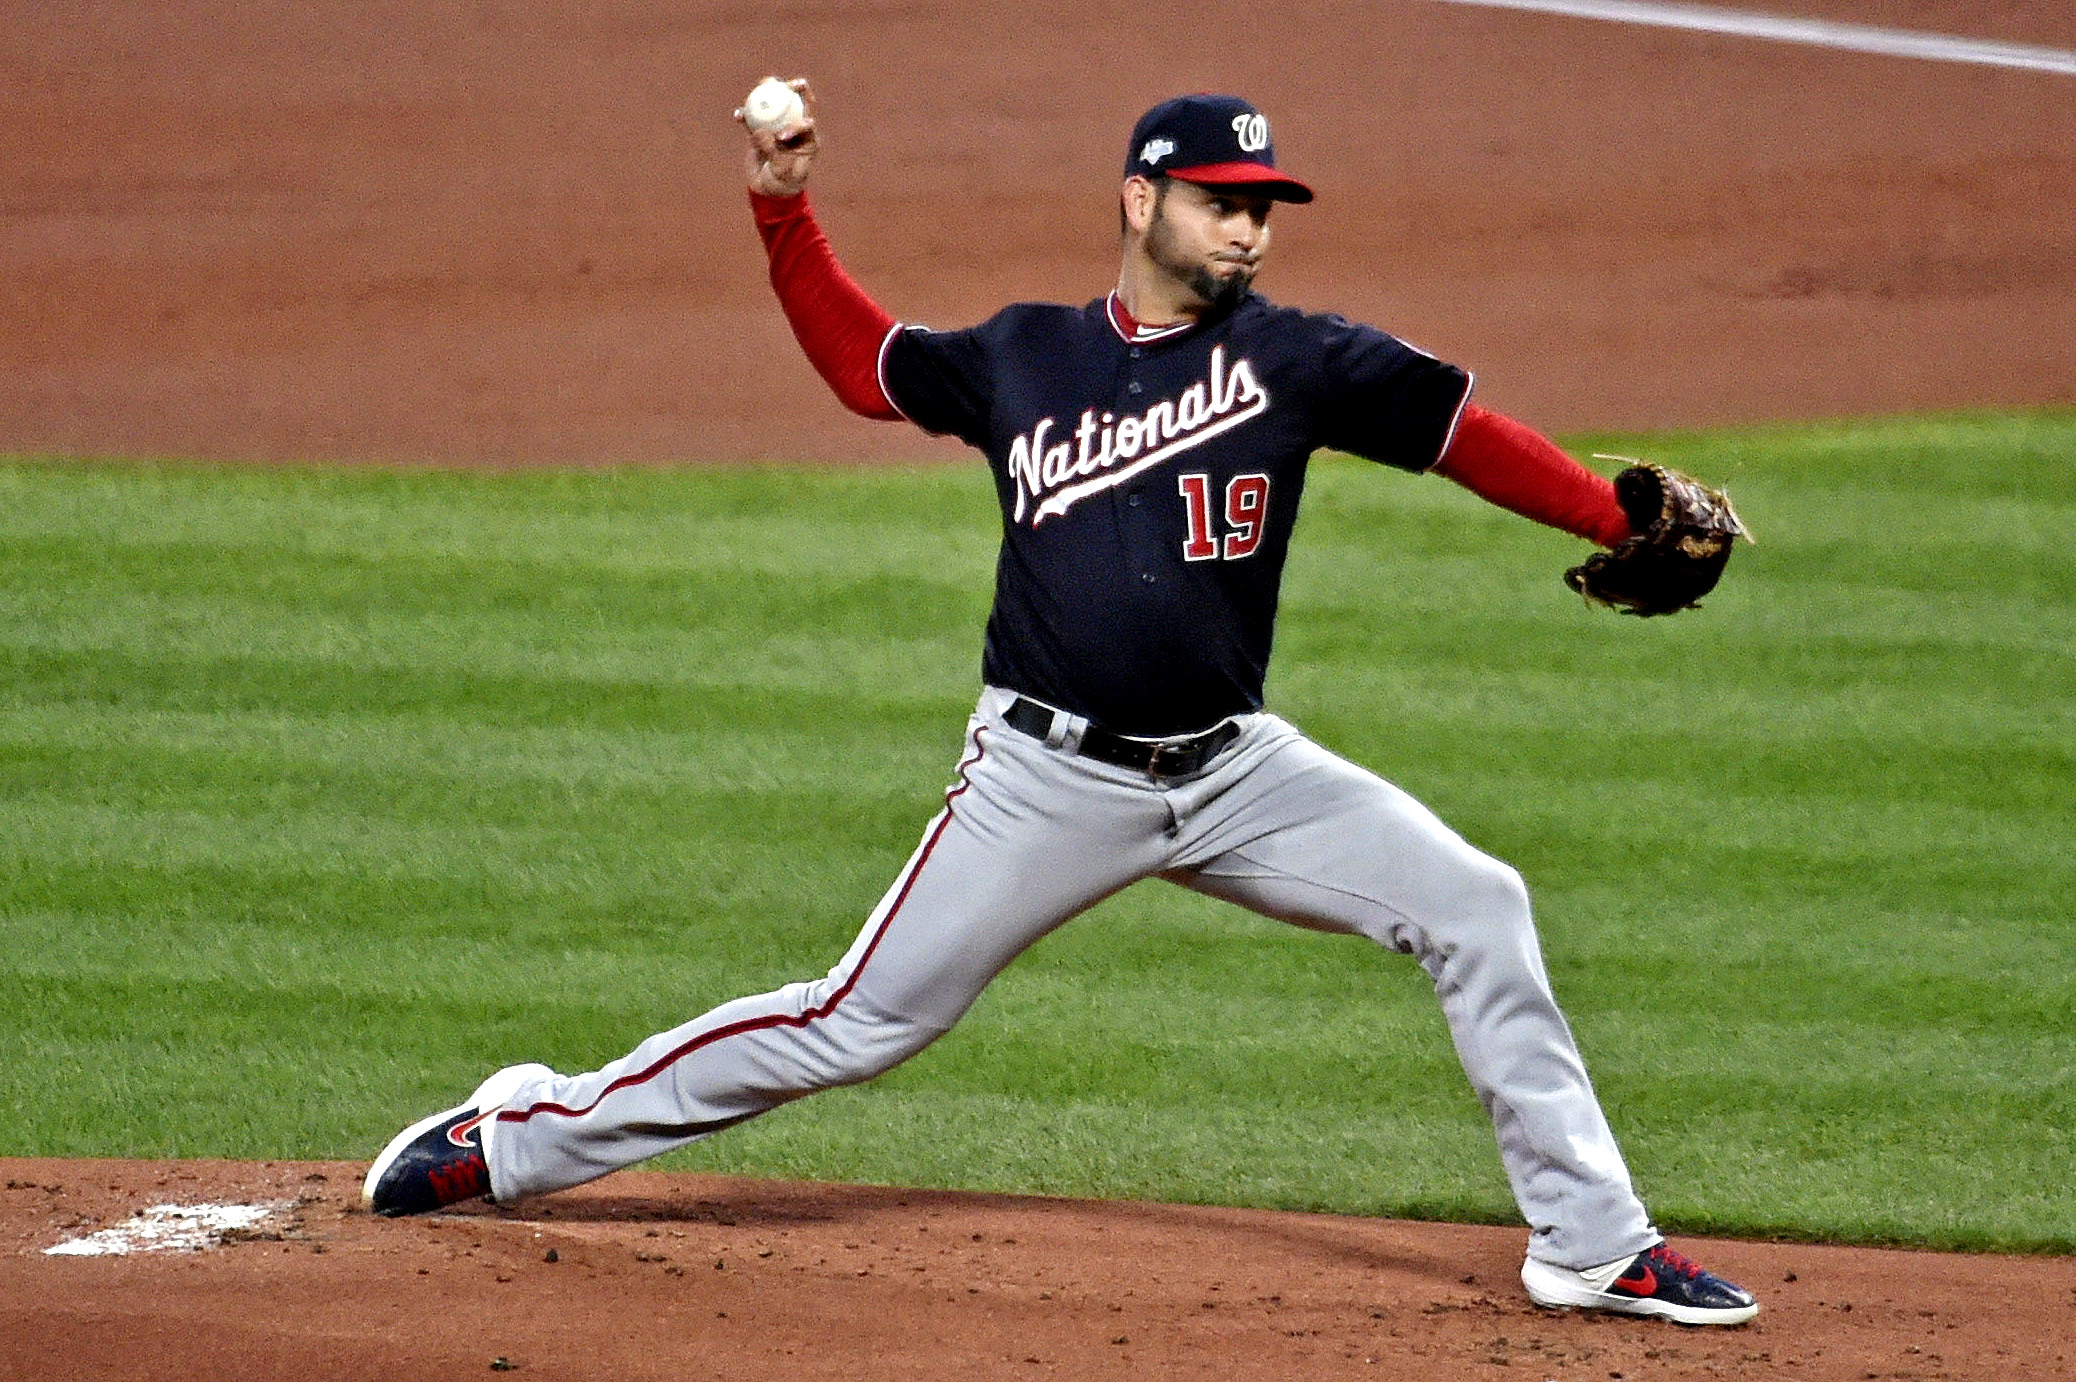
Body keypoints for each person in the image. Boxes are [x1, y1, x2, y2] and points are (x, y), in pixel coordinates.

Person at [363, 86, 1758, 1327]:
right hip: (1046, 779)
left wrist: (1608, 510)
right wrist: (783, 213)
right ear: (1142, 197)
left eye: (1264, 208)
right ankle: (516, 1137)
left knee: (1478, 902)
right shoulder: (1025, 357)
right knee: (855, 1020)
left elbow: (1464, 438)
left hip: (1236, 773)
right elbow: (867, 365)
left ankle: (1592, 1244)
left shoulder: (1304, 360)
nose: (1250, 230)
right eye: (1222, 202)